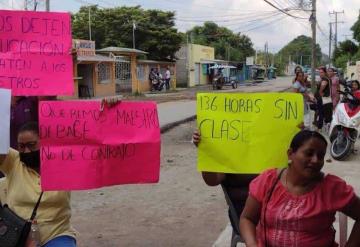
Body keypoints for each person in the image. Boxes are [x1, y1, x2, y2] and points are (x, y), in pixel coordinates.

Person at [240, 130, 360, 247]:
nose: (315, 160)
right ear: (290, 153)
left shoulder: (332, 188)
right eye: (309, 153)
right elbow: (247, 218)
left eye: (321, 156)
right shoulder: (268, 181)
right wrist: (252, 244)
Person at [0, 122, 77, 247]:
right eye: (21, 146)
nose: (26, 150)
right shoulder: (13, 162)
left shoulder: (64, 162)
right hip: (17, 235)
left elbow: (96, 152)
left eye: (31, 145)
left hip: (56, 233)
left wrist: (109, 110)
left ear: (46, 142)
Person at [192, 131, 258, 237]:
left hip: (278, 208)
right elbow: (212, 181)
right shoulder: (227, 143)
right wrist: (206, 152)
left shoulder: (273, 142)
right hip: (246, 213)